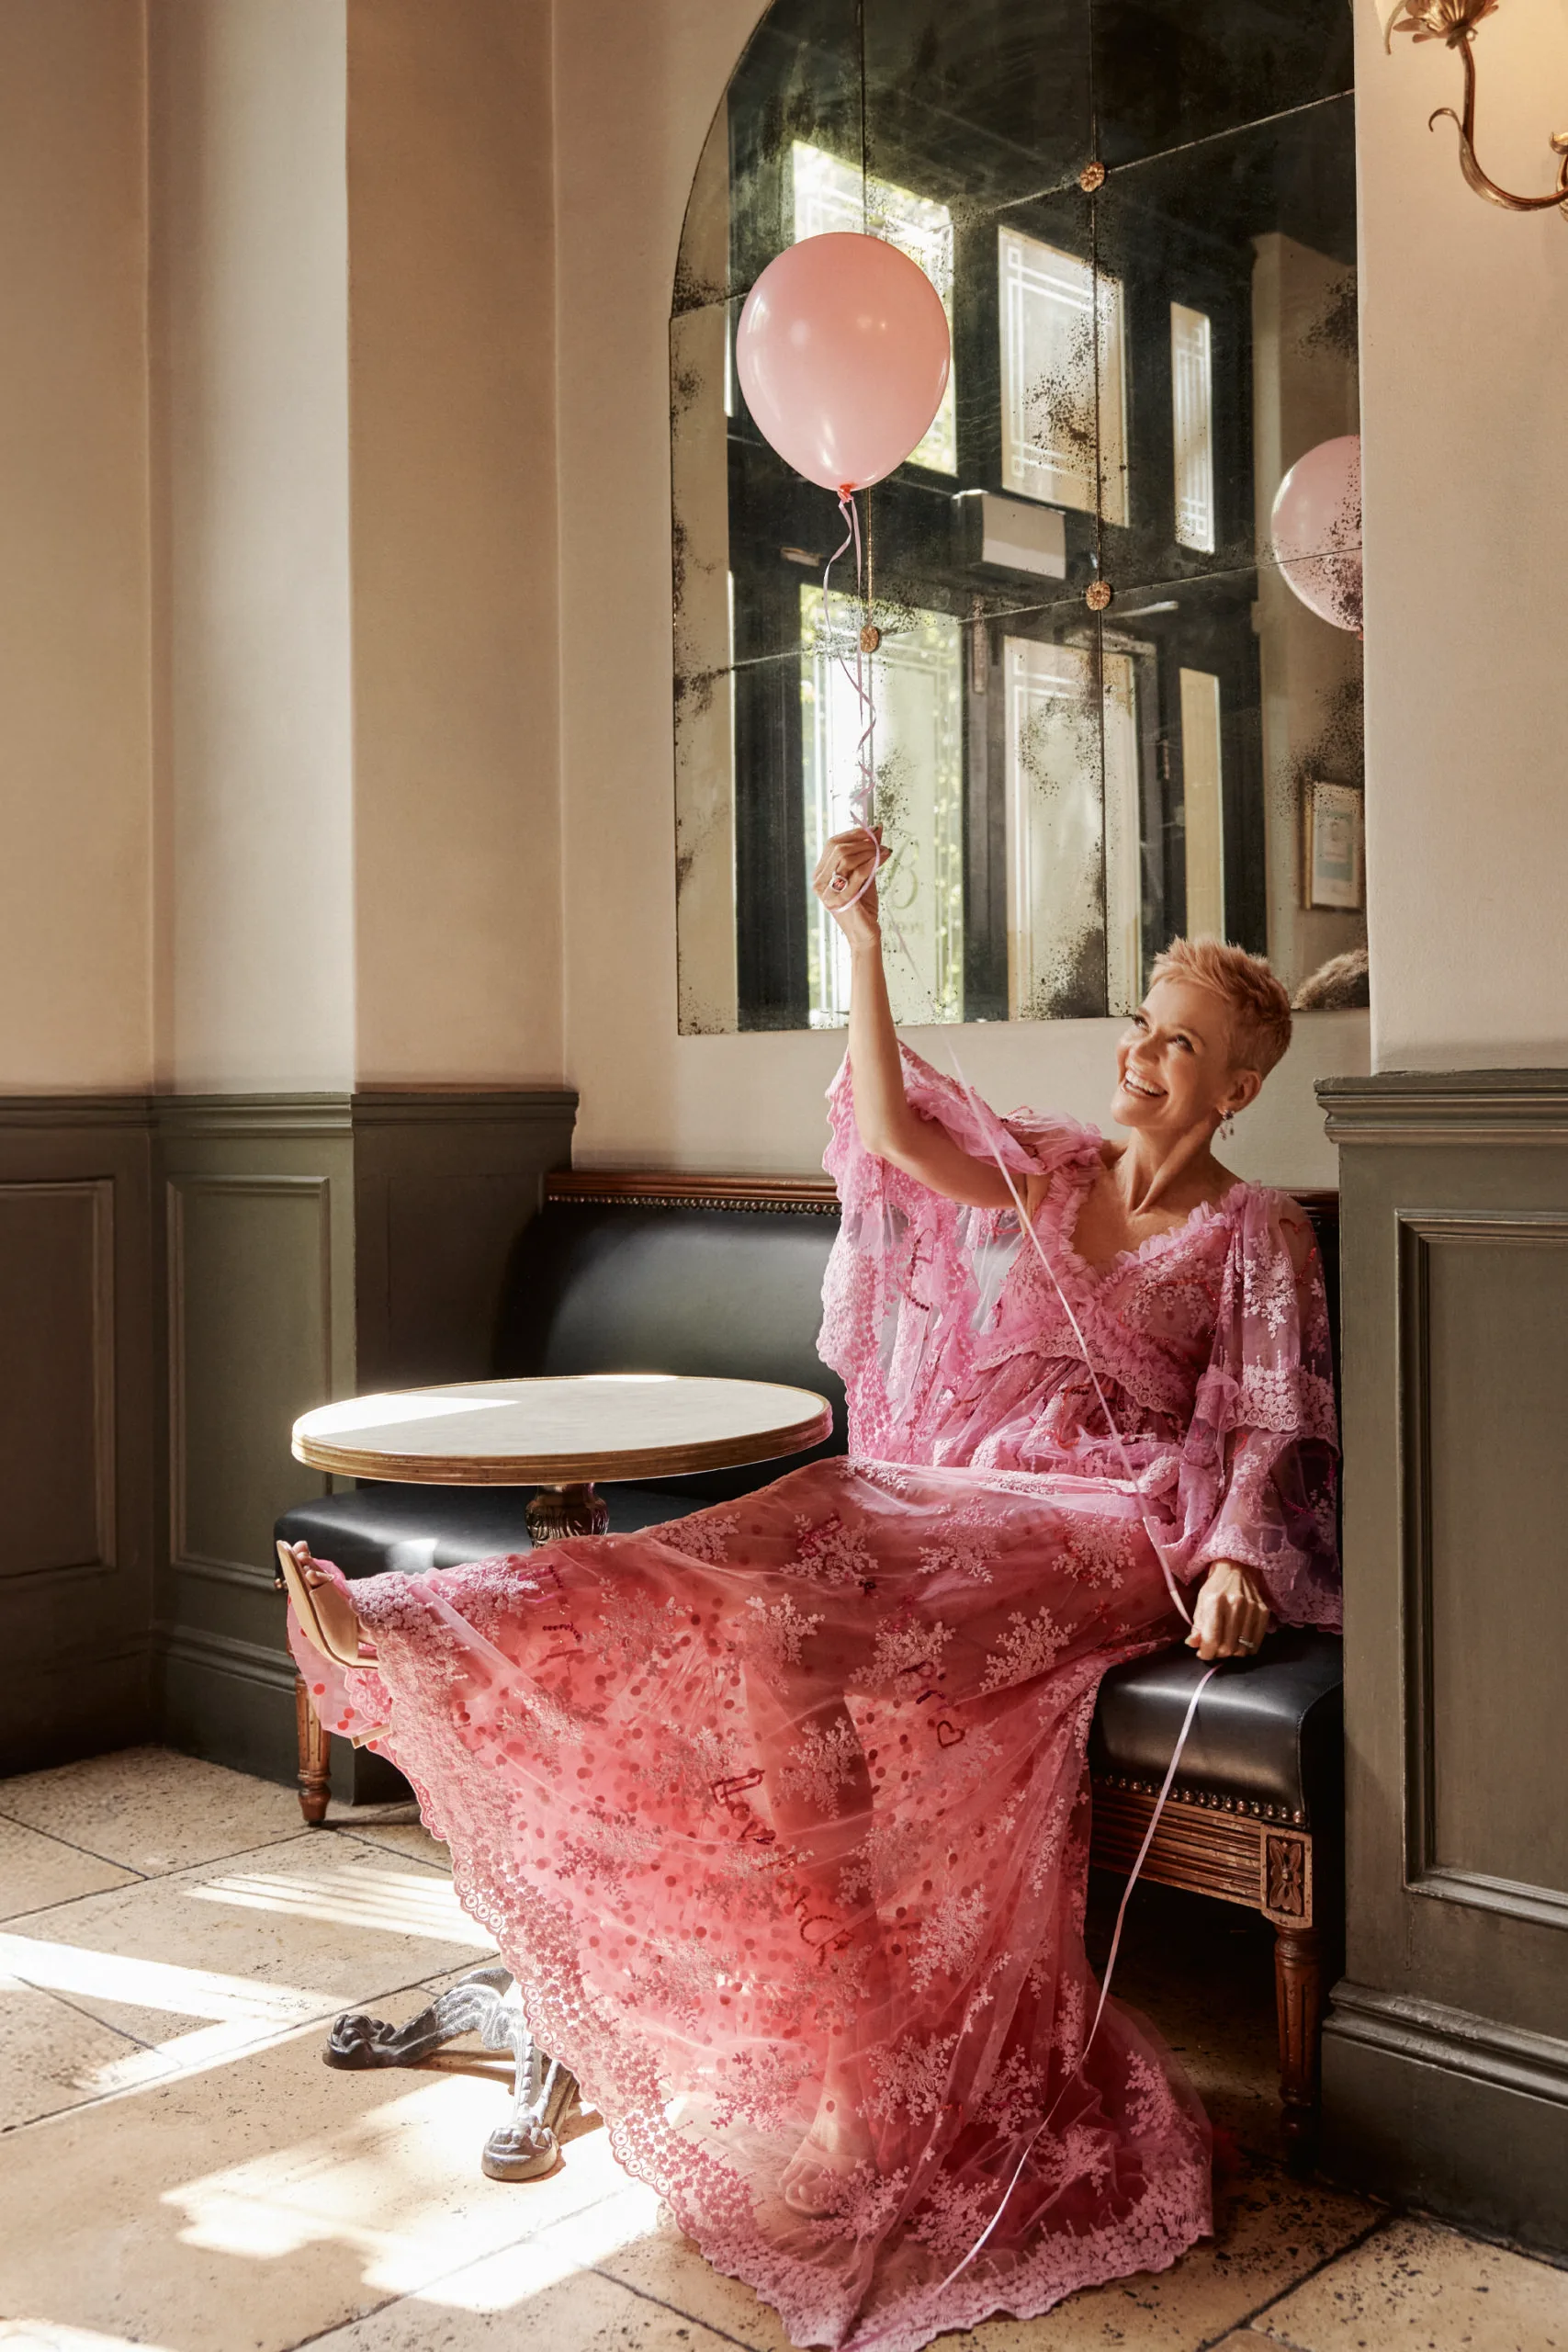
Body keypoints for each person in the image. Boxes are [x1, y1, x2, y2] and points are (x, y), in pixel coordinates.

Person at [281, 831, 1340, 2352]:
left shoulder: (1255, 1232)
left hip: (1108, 1529)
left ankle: (448, 1630)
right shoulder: (1044, 1169)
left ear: (1238, 1086)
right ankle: (846, 2041)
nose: (1143, 1056)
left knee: (796, 1595)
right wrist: (857, 935)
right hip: (956, 1490)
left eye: (1182, 1044)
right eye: (1140, 1025)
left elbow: (1262, 1415)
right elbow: (902, 1138)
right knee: (792, 1546)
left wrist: (1238, 1553)